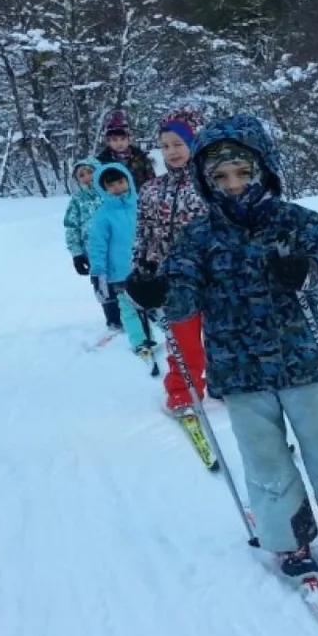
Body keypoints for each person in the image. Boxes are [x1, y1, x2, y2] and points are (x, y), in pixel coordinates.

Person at [126, 116, 318, 576]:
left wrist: (309, 271)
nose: (233, 185)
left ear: (262, 169)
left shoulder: (296, 222)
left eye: (242, 173)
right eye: (220, 177)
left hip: (301, 361)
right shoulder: (198, 237)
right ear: (206, 181)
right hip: (239, 370)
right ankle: (287, 536)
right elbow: (182, 301)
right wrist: (155, 294)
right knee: (266, 458)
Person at [132, 106, 209, 410]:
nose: (172, 152)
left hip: (215, 276)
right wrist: (140, 271)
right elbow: (142, 233)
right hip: (173, 282)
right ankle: (183, 393)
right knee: (183, 343)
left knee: (224, 339)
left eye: (178, 144)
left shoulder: (212, 183)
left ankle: (231, 385)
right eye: (165, 146)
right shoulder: (151, 189)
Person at [88, 162, 154, 356]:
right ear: (104, 188)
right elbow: (97, 246)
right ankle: (139, 342)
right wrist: (98, 272)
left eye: (120, 182)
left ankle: (163, 335)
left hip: (146, 267)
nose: (117, 188)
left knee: (153, 304)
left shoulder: (142, 204)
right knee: (128, 309)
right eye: (111, 185)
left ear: (128, 181)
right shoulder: (103, 215)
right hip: (120, 273)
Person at [63, 157, 120, 332]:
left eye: (90, 172)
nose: (87, 177)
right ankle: (113, 321)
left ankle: (138, 315)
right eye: (82, 175)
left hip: (119, 249)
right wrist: (77, 254)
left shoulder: (112, 192)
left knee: (125, 283)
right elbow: (71, 227)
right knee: (103, 286)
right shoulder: (77, 200)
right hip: (94, 254)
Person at [97, 108, 156, 187]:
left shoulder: (140, 157)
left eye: (123, 139)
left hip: (140, 197)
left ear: (129, 139)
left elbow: (152, 182)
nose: (119, 143)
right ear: (108, 141)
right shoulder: (102, 161)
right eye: (114, 140)